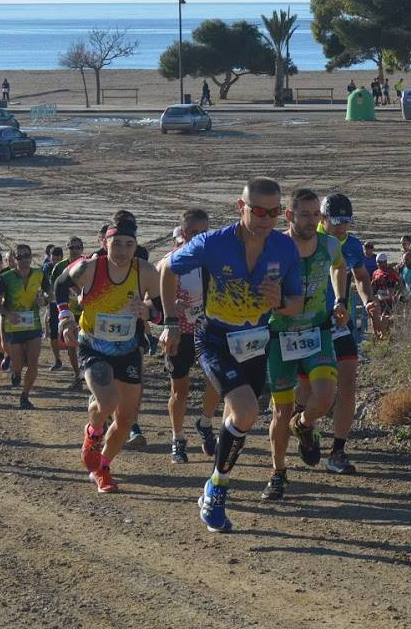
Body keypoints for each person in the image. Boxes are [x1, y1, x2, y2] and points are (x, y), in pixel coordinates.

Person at [161, 177, 303, 532]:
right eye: (258, 211)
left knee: (240, 418)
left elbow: (297, 302)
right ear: (240, 207)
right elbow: (165, 269)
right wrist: (170, 323)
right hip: (216, 338)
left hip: (256, 340)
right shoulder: (213, 243)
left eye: (273, 212)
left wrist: (280, 303)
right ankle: (218, 491)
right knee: (247, 410)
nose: (266, 219)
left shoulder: (285, 250)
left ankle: (213, 481)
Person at [67, 216, 162, 492]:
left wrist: (149, 313)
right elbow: (60, 283)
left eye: (128, 245)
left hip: (128, 349)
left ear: (135, 246)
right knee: (107, 401)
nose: (121, 250)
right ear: (104, 243)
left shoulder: (145, 271)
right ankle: (93, 433)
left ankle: (102, 468)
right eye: (116, 243)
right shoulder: (89, 267)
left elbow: (159, 311)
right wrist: (65, 316)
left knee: (126, 418)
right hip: (94, 345)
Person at [261, 188, 345, 500]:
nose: (312, 221)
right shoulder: (275, 248)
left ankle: (305, 424)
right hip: (280, 334)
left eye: (316, 215)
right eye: (305, 214)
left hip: (317, 331)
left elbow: (339, 267)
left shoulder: (329, 244)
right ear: (289, 215)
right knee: (280, 412)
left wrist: (340, 299)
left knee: (325, 396)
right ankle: (278, 472)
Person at [316, 192, 377, 476]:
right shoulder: (303, 240)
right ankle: (303, 425)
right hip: (307, 324)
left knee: (349, 382)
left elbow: (362, 278)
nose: (342, 228)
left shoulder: (351, 245)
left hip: (340, 324)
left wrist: (368, 302)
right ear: (322, 218)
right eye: (337, 222)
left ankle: (338, 451)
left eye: (346, 223)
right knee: (309, 392)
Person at [156, 209, 218, 464]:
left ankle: (205, 422)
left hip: (209, 329)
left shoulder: (215, 259)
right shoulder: (171, 260)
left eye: (203, 232)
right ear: (182, 233)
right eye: (193, 232)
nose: (198, 237)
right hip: (180, 332)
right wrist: (170, 306)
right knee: (179, 390)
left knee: (215, 381)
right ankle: (177, 438)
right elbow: (151, 297)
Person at [0, 243, 49, 409]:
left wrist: (44, 299)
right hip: (14, 327)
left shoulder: (39, 274)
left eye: (27, 256)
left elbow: (49, 291)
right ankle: (16, 373)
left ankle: (25, 395)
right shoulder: (6, 278)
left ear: (31, 257)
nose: (24, 259)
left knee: (33, 362)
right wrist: (7, 314)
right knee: (17, 365)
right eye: (19, 257)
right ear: (14, 259)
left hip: (33, 325)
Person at [48, 237, 85, 387]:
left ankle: (88, 374)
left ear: (82, 248)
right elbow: (54, 288)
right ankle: (77, 375)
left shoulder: (87, 264)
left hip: (85, 310)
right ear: (67, 249)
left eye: (77, 247)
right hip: (67, 310)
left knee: (87, 344)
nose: (74, 250)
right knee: (71, 345)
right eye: (71, 248)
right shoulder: (60, 267)